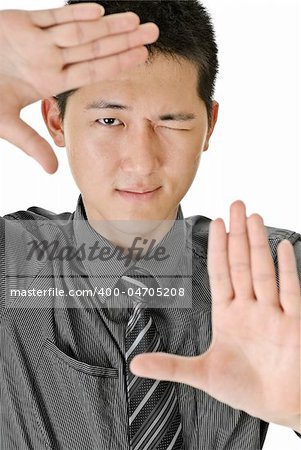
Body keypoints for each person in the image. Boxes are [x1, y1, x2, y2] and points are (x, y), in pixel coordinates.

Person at [0, 1, 300, 449]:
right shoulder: (10, 264)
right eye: (109, 120)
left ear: (209, 126)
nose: (142, 162)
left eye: (171, 123)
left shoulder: (276, 276)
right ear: (55, 120)